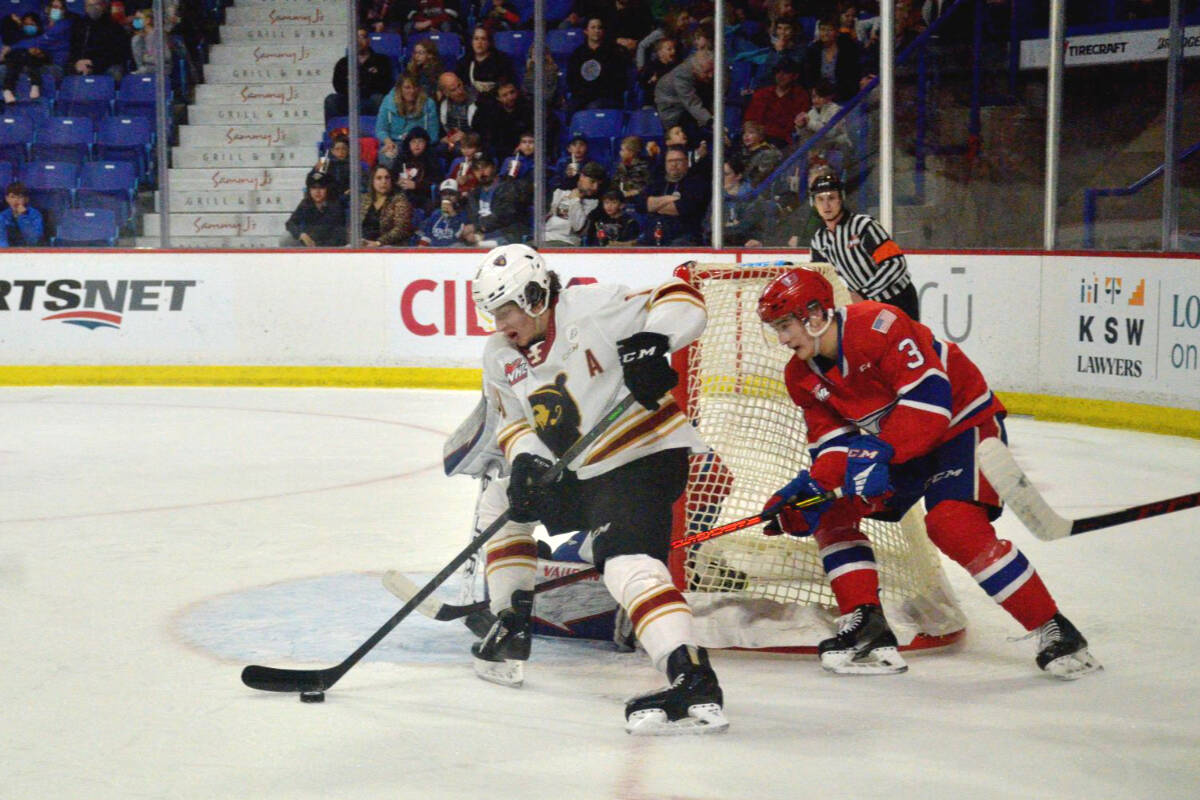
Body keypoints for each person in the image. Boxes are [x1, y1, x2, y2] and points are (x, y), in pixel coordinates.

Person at [755, 266, 1101, 680]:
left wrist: (876, 454)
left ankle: (1055, 628)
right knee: (829, 511)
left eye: (785, 325)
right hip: (899, 442)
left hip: (961, 424)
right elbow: (834, 447)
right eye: (776, 328)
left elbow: (931, 402)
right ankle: (867, 624)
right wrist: (810, 492)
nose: (782, 339)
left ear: (815, 314)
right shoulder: (800, 376)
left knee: (952, 525)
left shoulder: (879, 324)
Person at [468, 243, 728, 735]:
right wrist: (525, 462)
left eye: (506, 309)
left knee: (622, 557)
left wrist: (655, 340)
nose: (501, 323)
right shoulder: (500, 354)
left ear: (534, 295)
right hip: (580, 470)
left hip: (643, 456)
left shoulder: (593, 306)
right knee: (502, 499)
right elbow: (514, 421)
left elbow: (682, 297)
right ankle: (511, 623)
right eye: (493, 311)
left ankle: (691, 674)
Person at [807, 173, 918, 320]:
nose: (826, 205)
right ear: (813, 203)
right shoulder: (819, 240)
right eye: (820, 199)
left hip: (898, 300)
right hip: (866, 307)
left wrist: (864, 293)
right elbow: (820, 280)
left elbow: (895, 263)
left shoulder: (863, 226)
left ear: (841, 199)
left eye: (831, 198)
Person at [636, 144, 710, 246]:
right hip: (653, 236)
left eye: (678, 160)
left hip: (685, 237)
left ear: (687, 162)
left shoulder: (696, 183)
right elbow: (640, 205)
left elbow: (683, 208)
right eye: (670, 161)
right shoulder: (657, 182)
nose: (674, 164)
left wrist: (654, 205)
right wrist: (669, 198)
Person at [325, 27, 394, 123]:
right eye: (355, 37)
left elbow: (385, 84)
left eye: (362, 37)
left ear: (368, 40)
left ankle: (381, 132)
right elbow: (338, 85)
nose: (358, 41)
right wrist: (369, 77)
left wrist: (359, 82)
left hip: (371, 99)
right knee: (331, 100)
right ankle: (335, 133)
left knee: (379, 99)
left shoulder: (382, 60)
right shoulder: (343, 63)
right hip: (349, 99)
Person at [460, 155, 530, 246]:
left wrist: (477, 227)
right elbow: (472, 217)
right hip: (482, 235)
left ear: (493, 168)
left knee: (480, 245)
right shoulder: (474, 194)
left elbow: (504, 216)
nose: (481, 172)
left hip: (505, 235)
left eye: (485, 167)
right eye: (477, 169)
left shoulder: (507, 188)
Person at [565, 16, 628, 116]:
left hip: (606, 97)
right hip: (583, 96)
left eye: (599, 28)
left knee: (592, 108)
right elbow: (572, 79)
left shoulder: (613, 53)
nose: (597, 30)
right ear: (586, 31)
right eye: (593, 27)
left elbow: (618, 80)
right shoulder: (578, 53)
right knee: (569, 109)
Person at [376, 75, 440, 171]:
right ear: (399, 89)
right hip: (394, 142)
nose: (412, 91)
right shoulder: (388, 101)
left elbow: (433, 134)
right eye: (407, 87)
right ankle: (391, 184)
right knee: (387, 155)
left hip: (418, 143)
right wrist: (388, 142)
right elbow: (381, 129)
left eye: (415, 87)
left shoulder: (429, 104)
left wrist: (417, 142)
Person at [743, 59, 810, 147]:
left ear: (795, 76)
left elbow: (797, 126)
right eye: (778, 72)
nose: (780, 76)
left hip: (783, 142)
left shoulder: (801, 96)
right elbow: (749, 120)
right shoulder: (762, 93)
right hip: (758, 139)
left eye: (785, 73)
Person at [654, 49, 714, 143]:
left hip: (690, 109)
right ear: (695, 69)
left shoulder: (705, 75)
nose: (711, 75)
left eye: (712, 70)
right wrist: (711, 122)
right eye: (706, 72)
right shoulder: (681, 76)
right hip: (674, 112)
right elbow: (691, 103)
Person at [803, 15, 862, 103]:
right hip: (819, 96)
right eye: (822, 30)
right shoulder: (813, 50)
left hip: (843, 95)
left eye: (829, 30)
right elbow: (809, 77)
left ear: (837, 32)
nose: (825, 33)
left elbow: (852, 76)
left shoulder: (848, 50)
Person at [543, 161, 604, 246]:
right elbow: (544, 217)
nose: (595, 187)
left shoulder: (595, 204)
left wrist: (575, 200)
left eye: (598, 184)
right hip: (544, 238)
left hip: (565, 242)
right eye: (593, 182)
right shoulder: (560, 191)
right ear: (582, 177)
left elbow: (578, 228)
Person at [281, 170, 347, 247]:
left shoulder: (335, 205)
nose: (317, 192)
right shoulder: (306, 203)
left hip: (331, 247)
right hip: (310, 244)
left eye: (321, 188)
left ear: (327, 189)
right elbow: (290, 223)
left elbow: (339, 233)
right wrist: (301, 234)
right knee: (286, 238)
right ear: (309, 190)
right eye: (313, 188)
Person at [67, 0, 130, 80]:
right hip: (82, 64)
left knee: (115, 73)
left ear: (103, 6)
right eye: (89, 5)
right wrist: (77, 63)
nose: (92, 8)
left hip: (105, 65)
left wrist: (93, 63)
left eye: (96, 4)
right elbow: (73, 48)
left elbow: (118, 54)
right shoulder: (79, 25)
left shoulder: (114, 27)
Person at [360, 165, 414, 247]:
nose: (384, 181)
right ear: (372, 181)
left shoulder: (400, 200)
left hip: (388, 245)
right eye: (379, 178)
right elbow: (352, 226)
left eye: (387, 178)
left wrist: (378, 243)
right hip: (363, 243)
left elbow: (401, 229)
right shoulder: (364, 199)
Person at [455, 25, 514, 99]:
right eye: (476, 39)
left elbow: (507, 85)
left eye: (483, 39)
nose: (479, 43)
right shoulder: (464, 61)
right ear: (472, 42)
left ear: (489, 42)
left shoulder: (501, 60)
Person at [419, 178, 469, 246]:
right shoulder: (436, 213)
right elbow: (427, 237)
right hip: (434, 252)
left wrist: (453, 214)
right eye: (444, 194)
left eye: (452, 194)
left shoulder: (463, 213)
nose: (447, 197)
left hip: (453, 251)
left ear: (458, 196)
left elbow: (460, 236)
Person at [636, 36, 677, 107]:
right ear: (660, 53)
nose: (673, 51)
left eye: (673, 48)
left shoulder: (676, 67)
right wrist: (651, 81)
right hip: (653, 104)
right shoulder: (651, 67)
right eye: (669, 49)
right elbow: (643, 84)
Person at [0, 181, 44, 246]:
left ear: (26, 199)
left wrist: (23, 216)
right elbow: (2, 240)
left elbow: (33, 240)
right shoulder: (2, 216)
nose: (16, 200)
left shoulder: (35, 215)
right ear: (7, 199)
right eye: (12, 197)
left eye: (20, 197)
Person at [128, 9, 169, 75]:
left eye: (139, 19)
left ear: (148, 20)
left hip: (161, 68)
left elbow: (167, 57)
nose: (136, 21)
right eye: (136, 19)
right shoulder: (139, 38)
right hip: (147, 68)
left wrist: (146, 58)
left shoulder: (159, 35)